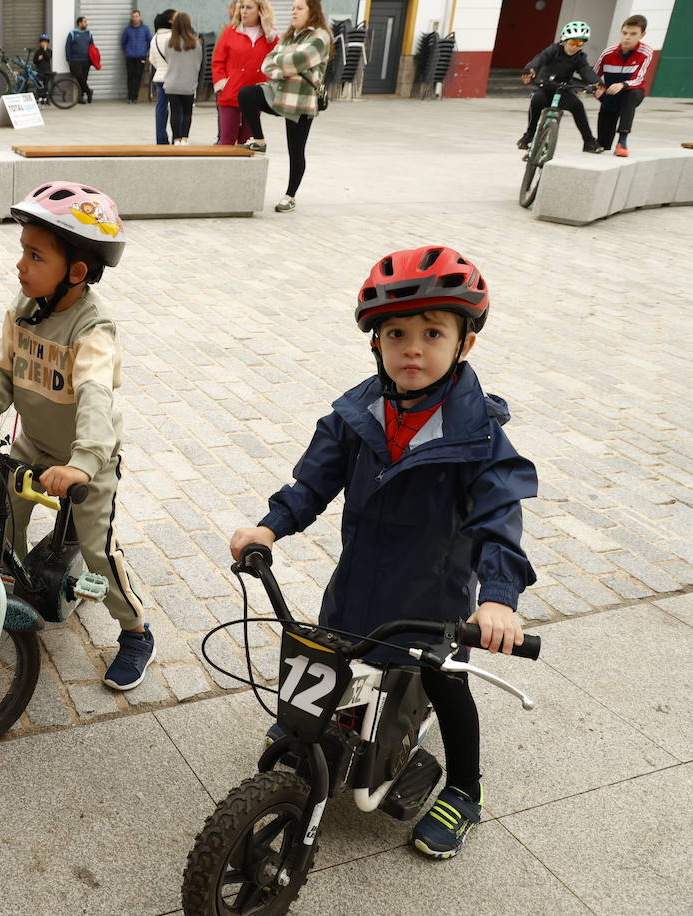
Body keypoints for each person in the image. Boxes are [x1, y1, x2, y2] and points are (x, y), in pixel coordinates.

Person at [229, 246, 538, 860]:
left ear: (465, 344)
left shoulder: (478, 436)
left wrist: (499, 598)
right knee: (327, 657)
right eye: (396, 334)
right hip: (355, 586)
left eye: (432, 333)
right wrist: (270, 527)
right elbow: (312, 482)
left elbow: (499, 516)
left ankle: (466, 788)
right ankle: (309, 731)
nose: (412, 349)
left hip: (432, 598)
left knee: (444, 683)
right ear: (376, 342)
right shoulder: (356, 416)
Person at [0, 183, 155, 691]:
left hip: (89, 457)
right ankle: (9, 590)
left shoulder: (93, 329)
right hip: (35, 445)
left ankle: (135, 631)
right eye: (23, 251)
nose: (20, 265)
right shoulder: (25, 307)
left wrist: (84, 463)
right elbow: (0, 369)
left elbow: (94, 398)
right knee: (5, 518)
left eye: (35, 256)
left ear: (76, 272)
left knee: (98, 549)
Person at [236, 0, 334, 212]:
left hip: (301, 100)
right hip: (278, 93)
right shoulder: (290, 35)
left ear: (312, 11)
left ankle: (290, 196)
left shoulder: (320, 37)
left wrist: (281, 64)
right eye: (292, 8)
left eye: (299, 8)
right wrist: (285, 67)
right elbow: (267, 63)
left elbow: (298, 60)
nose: (294, 12)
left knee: (296, 150)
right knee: (246, 94)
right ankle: (259, 140)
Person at [518, 21, 604, 154]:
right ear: (564, 40)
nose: (575, 47)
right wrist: (530, 68)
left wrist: (597, 83)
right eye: (572, 42)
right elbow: (540, 58)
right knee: (536, 101)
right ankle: (529, 135)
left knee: (578, 106)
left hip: (563, 89)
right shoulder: (553, 50)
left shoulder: (579, 57)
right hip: (545, 87)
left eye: (580, 44)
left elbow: (586, 71)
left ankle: (589, 141)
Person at [213, 0, 278, 145]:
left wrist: (269, 32)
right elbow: (218, 61)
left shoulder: (270, 34)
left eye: (249, 7)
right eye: (242, 7)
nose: (244, 11)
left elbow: (278, 58)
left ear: (261, 11)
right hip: (230, 93)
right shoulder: (230, 31)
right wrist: (222, 84)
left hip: (254, 96)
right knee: (227, 142)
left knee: (246, 143)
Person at [595, 15, 654, 156]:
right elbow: (594, 75)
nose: (627, 37)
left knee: (630, 96)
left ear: (642, 35)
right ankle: (603, 142)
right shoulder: (608, 53)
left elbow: (639, 78)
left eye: (633, 34)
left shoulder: (646, 52)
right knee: (603, 144)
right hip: (611, 94)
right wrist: (599, 89)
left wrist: (623, 85)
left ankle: (622, 141)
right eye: (625, 33)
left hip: (632, 91)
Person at [162, 13, 204, 145]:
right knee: (187, 113)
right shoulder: (196, 44)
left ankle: (176, 139)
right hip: (189, 83)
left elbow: (168, 59)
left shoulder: (169, 43)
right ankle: (185, 139)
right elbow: (199, 63)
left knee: (174, 112)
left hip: (172, 83)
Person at [149, 9, 177, 143]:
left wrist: (161, 68)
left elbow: (151, 59)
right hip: (174, 78)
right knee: (177, 109)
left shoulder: (154, 38)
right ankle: (177, 138)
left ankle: (161, 139)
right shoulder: (174, 37)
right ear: (170, 21)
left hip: (159, 78)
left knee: (161, 108)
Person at [122, 10, 154, 104]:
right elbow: (123, 42)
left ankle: (135, 97)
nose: (135, 18)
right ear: (131, 18)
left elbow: (149, 41)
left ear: (140, 17)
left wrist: (145, 51)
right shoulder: (128, 30)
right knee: (130, 76)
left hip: (141, 56)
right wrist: (127, 50)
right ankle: (130, 97)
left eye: (136, 16)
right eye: (133, 16)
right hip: (130, 56)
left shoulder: (145, 29)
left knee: (138, 76)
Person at [66, 16, 96, 104]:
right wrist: (69, 59)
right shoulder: (72, 33)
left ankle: (81, 97)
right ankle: (88, 91)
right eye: (84, 22)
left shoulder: (89, 33)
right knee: (79, 77)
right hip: (75, 61)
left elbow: (92, 47)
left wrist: (93, 60)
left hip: (86, 61)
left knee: (84, 79)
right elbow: (67, 47)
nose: (86, 23)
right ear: (80, 23)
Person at [33, 34, 55, 102]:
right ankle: (40, 97)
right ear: (40, 43)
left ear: (48, 43)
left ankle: (46, 98)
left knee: (46, 85)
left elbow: (48, 57)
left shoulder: (49, 51)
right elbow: (34, 61)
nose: (44, 43)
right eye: (42, 42)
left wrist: (45, 50)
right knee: (39, 85)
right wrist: (38, 59)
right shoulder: (38, 51)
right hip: (39, 71)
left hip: (47, 71)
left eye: (45, 42)